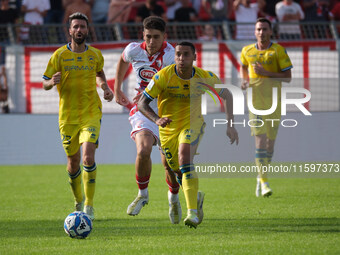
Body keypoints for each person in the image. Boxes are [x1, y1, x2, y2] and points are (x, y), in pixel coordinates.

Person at [138, 41, 239, 228]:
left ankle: (191, 213)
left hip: (193, 124)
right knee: (177, 171)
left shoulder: (204, 77)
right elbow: (142, 103)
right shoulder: (163, 76)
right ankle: (196, 200)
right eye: (178, 54)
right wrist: (157, 119)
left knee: (185, 160)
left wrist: (230, 125)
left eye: (186, 54)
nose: (181, 58)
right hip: (168, 130)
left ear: (194, 57)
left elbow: (228, 95)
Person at [42, 12, 114, 220]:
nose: (80, 30)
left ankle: (89, 206)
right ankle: (78, 199)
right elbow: (44, 82)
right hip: (67, 117)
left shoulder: (95, 55)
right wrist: (51, 82)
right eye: (76, 27)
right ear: (70, 30)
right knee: (73, 162)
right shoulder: (59, 55)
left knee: (88, 156)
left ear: (87, 29)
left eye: (83, 26)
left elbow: (99, 73)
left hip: (91, 112)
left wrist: (105, 88)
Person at [114, 16, 182, 224]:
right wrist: (117, 88)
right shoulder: (134, 49)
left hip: (166, 111)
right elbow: (122, 61)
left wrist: (151, 94)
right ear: (142, 35)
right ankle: (142, 195)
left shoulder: (172, 55)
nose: (151, 41)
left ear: (165, 37)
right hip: (142, 110)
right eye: (148, 36)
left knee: (169, 163)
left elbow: (177, 85)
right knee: (143, 150)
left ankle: (174, 199)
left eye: (156, 37)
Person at [240, 18, 292, 197]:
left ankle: (260, 176)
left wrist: (266, 74)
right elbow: (243, 67)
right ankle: (264, 183)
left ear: (271, 31)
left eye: (264, 29)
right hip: (255, 102)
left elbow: (287, 77)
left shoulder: (278, 51)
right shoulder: (247, 50)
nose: (261, 32)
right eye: (258, 29)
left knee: (270, 145)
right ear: (255, 32)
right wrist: (245, 81)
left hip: (274, 102)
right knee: (260, 141)